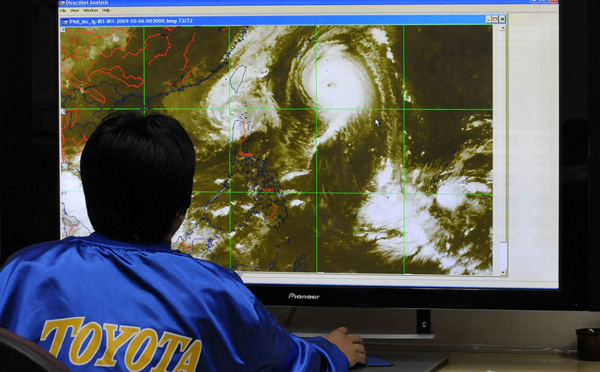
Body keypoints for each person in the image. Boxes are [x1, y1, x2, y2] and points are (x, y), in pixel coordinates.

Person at [0, 112, 366, 371]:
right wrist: (331, 353)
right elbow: (284, 362)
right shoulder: (217, 294)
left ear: (89, 193)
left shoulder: (22, 272)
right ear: (182, 208)